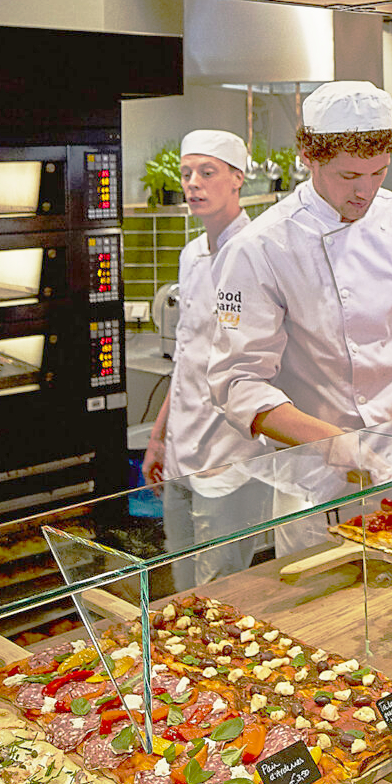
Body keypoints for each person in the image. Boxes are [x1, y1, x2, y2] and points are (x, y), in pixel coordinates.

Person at [210, 80, 392, 459]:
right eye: (348, 177)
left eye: (378, 173)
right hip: (312, 473)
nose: (364, 192)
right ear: (308, 156)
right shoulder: (259, 248)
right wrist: (333, 443)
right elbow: (239, 382)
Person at [142, 131, 277, 584]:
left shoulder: (260, 252)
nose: (193, 183)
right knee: (181, 586)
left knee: (222, 589)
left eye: (207, 172)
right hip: (181, 449)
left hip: (232, 452)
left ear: (238, 179)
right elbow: (187, 357)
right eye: (186, 174)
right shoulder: (191, 255)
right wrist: (160, 436)